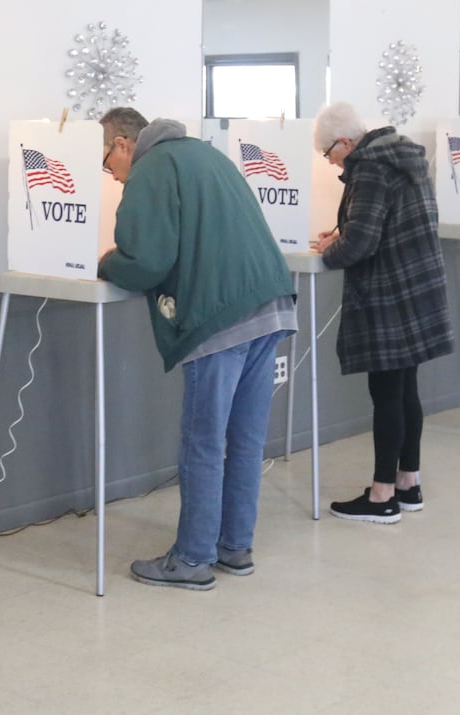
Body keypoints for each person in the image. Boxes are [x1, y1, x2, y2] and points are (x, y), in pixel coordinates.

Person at [96, 107, 297, 590]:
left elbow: (147, 260)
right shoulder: (206, 156)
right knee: (245, 440)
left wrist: (106, 261)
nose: (111, 174)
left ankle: (190, 560)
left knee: (203, 441)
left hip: (219, 316)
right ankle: (234, 546)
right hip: (270, 303)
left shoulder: (152, 167)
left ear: (124, 144)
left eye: (107, 162)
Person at [311, 102, 454, 524]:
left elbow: (362, 245)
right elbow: (385, 223)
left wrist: (332, 247)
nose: (330, 162)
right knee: (406, 389)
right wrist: (343, 231)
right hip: (417, 286)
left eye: (329, 153)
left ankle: (381, 496)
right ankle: (408, 483)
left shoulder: (370, 166)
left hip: (388, 292)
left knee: (387, 394)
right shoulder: (403, 156)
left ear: (346, 142)